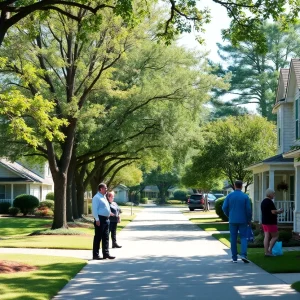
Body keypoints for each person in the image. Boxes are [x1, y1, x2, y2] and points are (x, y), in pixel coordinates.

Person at [222, 180, 252, 263]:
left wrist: (229, 215)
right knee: (243, 237)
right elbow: (248, 210)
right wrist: (249, 219)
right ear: (241, 186)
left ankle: (234, 257)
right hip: (243, 220)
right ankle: (243, 255)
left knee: (233, 238)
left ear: (234, 186)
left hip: (232, 220)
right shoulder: (245, 196)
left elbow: (224, 207)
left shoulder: (229, 196)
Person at [92, 183, 115, 260]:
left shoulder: (104, 197)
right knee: (98, 237)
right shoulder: (96, 197)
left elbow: (105, 208)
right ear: (101, 189)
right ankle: (95, 255)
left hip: (106, 219)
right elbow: (94, 209)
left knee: (106, 237)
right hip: (100, 219)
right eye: (105, 188)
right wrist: (97, 219)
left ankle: (106, 254)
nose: (106, 189)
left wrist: (109, 213)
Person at [261, 188, 284, 257]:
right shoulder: (269, 202)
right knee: (275, 236)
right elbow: (273, 211)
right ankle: (270, 250)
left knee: (266, 237)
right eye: (273, 194)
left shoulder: (263, 201)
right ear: (269, 194)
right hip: (271, 222)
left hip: (264, 222)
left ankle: (266, 252)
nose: (274, 195)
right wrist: (280, 211)